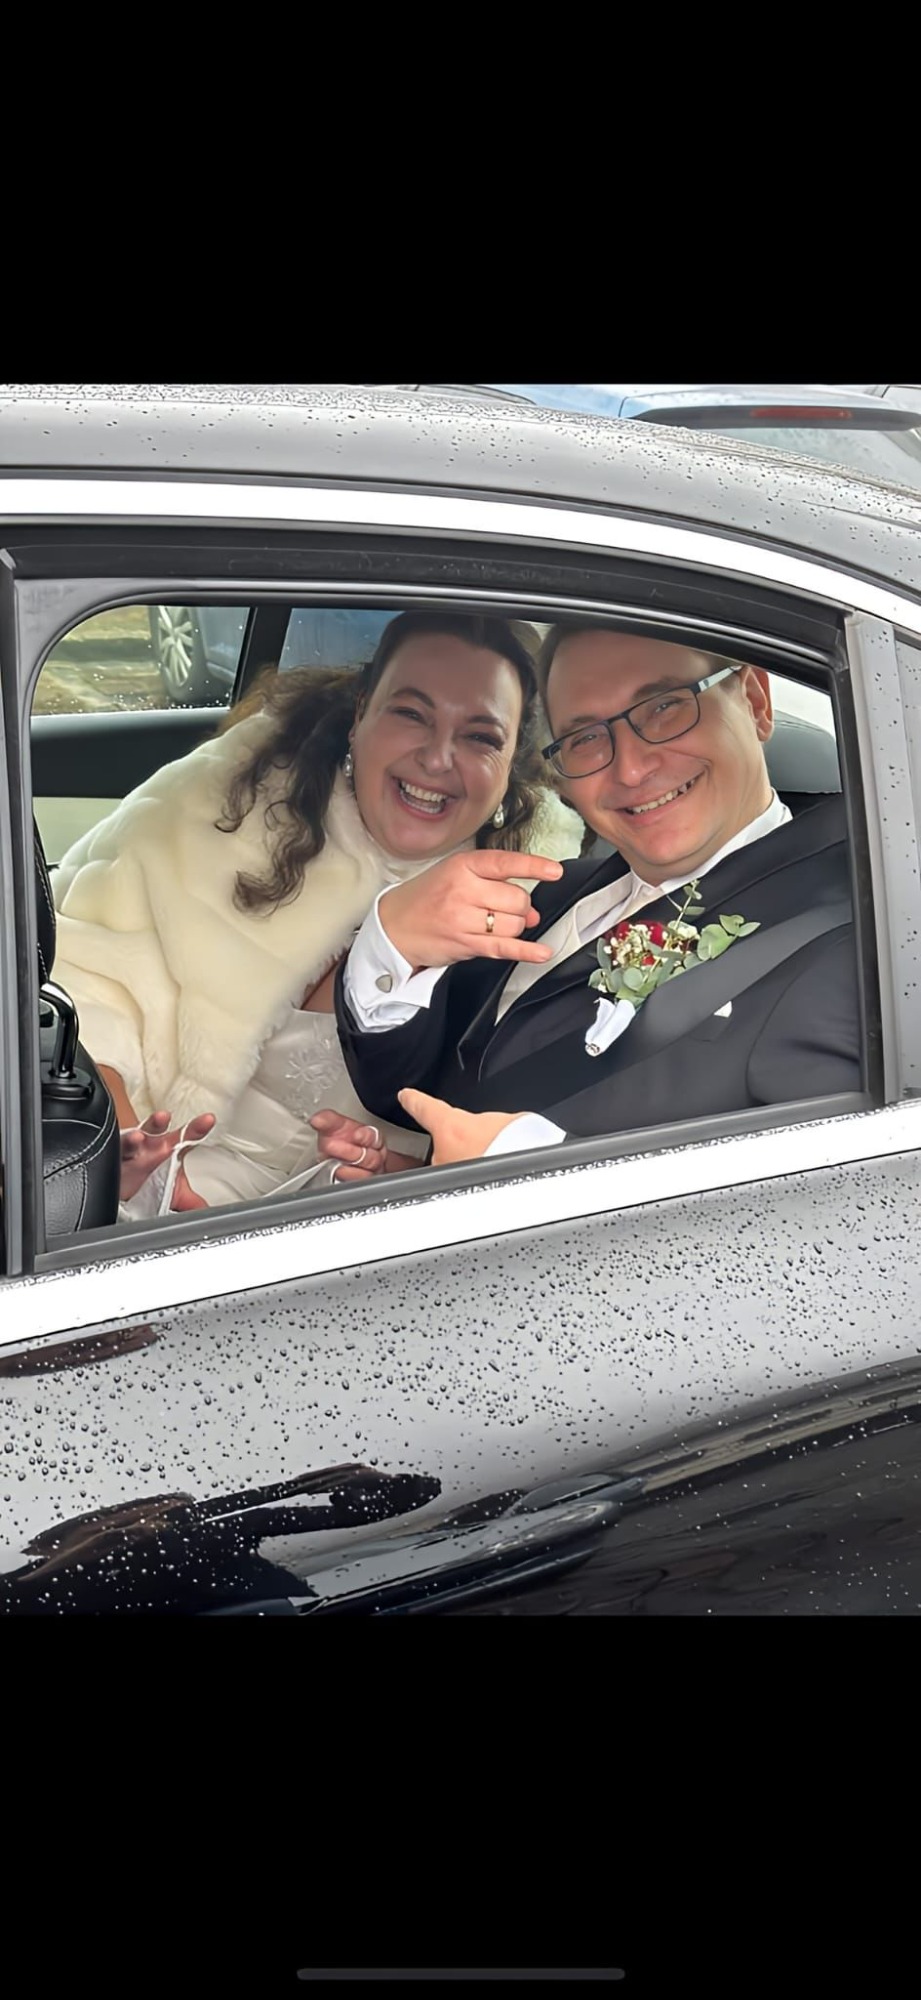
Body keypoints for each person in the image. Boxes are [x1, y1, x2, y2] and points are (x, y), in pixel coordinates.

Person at [50, 613, 584, 1213]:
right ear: (360, 713)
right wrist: (118, 1149)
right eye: (411, 714)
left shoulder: (545, 897)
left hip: (343, 1225)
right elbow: (79, 984)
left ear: (512, 762)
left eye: (481, 737)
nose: (438, 758)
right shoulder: (222, 803)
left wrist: (391, 1172)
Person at [322, 625, 860, 1178]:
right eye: (585, 738)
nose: (630, 768)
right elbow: (418, 1087)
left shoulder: (857, 942)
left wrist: (525, 1173)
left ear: (754, 701)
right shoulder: (553, 892)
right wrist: (391, 941)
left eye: (664, 708)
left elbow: (841, 1214)